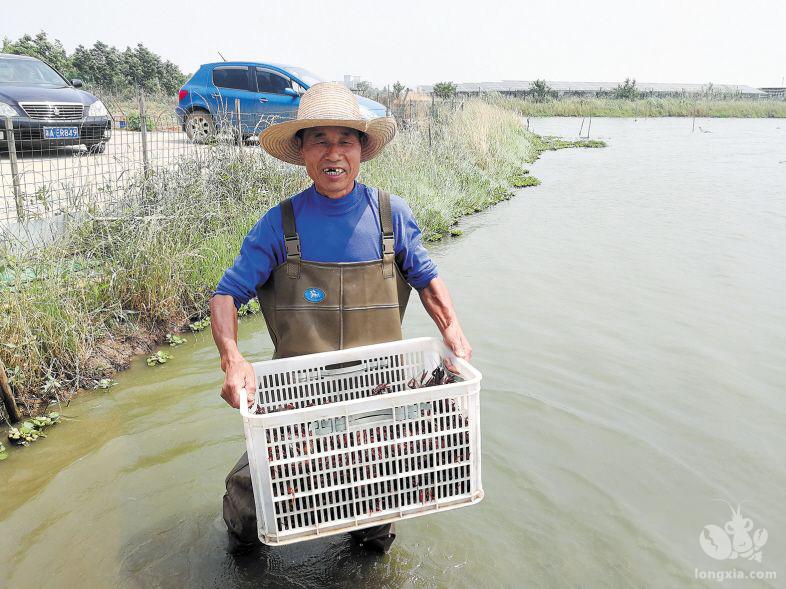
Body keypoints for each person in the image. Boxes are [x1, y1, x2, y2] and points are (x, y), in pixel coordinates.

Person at [210, 82, 471, 553]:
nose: (333, 153)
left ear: (361, 150)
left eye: (345, 140)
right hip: (300, 397)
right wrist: (232, 359)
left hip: (380, 398)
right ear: (303, 152)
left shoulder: (391, 215)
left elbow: (427, 278)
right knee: (250, 515)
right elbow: (227, 295)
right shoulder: (279, 223)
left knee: (375, 528)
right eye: (320, 140)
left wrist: (451, 329)